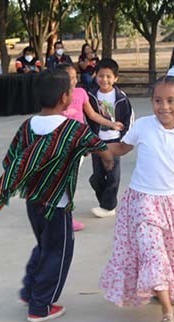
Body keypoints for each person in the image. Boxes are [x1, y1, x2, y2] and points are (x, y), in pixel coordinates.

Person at [0, 70, 115, 322]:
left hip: (33, 201)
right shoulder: (73, 128)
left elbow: (11, 160)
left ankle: (30, 291)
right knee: (59, 252)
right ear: (65, 98)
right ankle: (40, 305)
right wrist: (107, 165)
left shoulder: (27, 126)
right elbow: (103, 151)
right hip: (57, 205)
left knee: (44, 246)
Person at [100, 76, 174, 322]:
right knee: (151, 250)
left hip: (170, 203)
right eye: (158, 101)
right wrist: (104, 148)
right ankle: (166, 309)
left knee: (169, 252)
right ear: (151, 102)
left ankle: (161, 289)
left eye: (171, 101)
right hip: (141, 201)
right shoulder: (142, 126)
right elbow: (123, 147)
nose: (164, 107)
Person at [55, 63, 125, 231]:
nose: (71, 81)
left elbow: (93, 114)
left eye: (74, 77)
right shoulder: (55, 96)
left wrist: (111, 123)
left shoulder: (81, 93)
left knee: (68, 181)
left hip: (78, 146)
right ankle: (63, 218)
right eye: (67, 78)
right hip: (60, 145)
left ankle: (63, 216)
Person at [86, 58, 133, 218]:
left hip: (115, 141)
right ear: (95, 76)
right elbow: (86, 118)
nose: (104, 80)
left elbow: (129, 118)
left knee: (113, 173)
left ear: (115, 78)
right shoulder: (90, 96)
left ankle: (108, 206)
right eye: (100, 76)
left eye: (108, 76)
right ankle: (104, 202)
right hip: (96, 141)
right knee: (98, 175)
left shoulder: (121, 97)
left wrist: (125, 138)